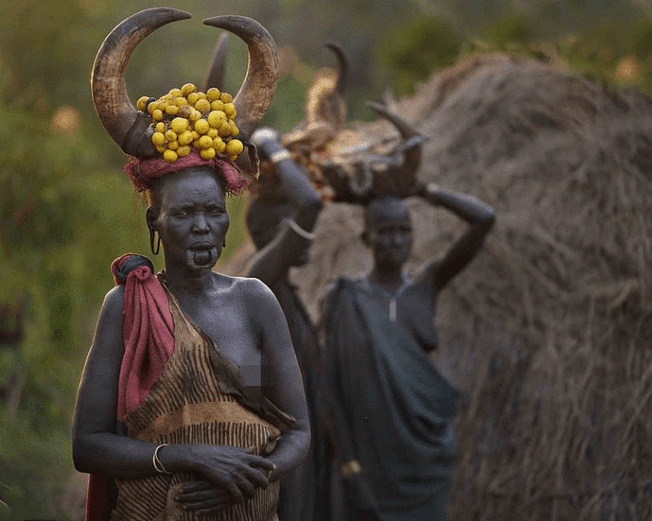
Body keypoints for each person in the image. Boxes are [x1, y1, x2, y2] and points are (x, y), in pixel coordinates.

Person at [72, 8, 309, 521]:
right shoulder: (128, 306)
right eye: (183, 214)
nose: (202, 226)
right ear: (156, 222)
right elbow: (86, 446)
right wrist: (186, 457)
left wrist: (248, 478)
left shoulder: (255, 301)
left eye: (213, 212)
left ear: (228, 220)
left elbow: (299, 433)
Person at [320, 181, 495, 520]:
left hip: (424, 462)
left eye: (404, 230)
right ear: (366, 238)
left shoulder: (425, 287)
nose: (397, 240)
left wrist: (425, 190)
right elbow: (327, 385)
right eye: (386, 231)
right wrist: (348, 463)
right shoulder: (344, 297)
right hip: (369, 463)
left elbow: (484, 219)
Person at [244, 128, 324, 521]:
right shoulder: (262, 279)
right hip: (273, 456)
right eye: (286, 223)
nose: (300, 231)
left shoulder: (287, 293)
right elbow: (309, 202)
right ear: (261, 235)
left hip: (294, 454)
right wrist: (270, 143)